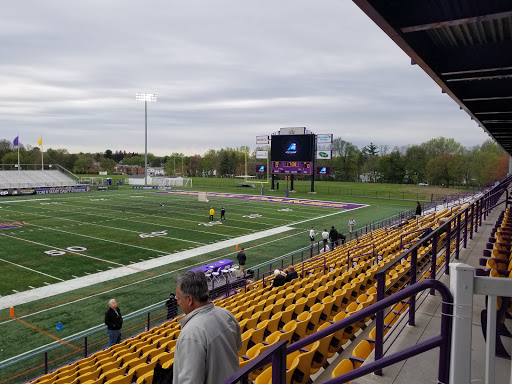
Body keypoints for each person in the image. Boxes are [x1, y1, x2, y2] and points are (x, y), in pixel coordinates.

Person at [173, 271, 242, 384]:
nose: (178, 303)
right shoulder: (226, 314)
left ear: (190, 300)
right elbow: (238, 346)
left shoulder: (191, 334)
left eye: (179, 299)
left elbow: (190, 381)